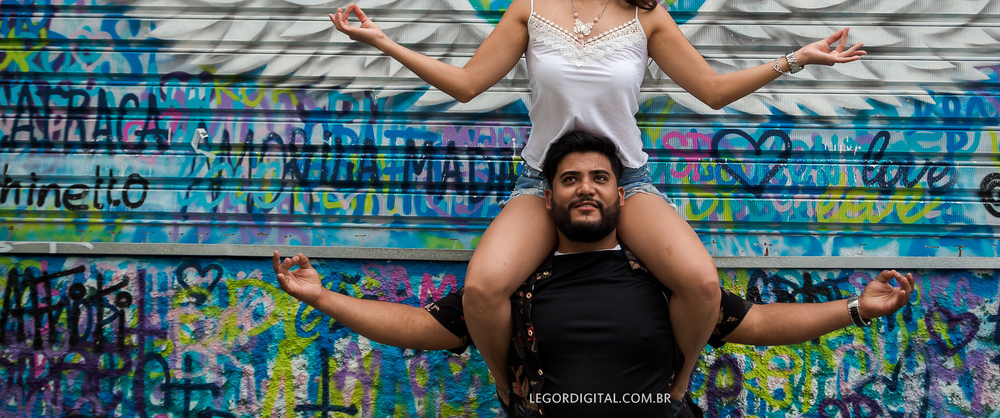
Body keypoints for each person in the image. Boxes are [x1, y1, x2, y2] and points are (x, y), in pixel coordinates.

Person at [328, 0, 867, 405]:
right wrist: (383, 42)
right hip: (544, 180)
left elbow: (712, 90)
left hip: (624, 180)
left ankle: (676, 385)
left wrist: (796, 59)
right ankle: (508, 387)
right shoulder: (531, 6)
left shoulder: (646, 16)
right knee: (482, 290)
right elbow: (467, 84)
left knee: (702, 284)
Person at [274, 131, 916, 417]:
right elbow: (423, 328)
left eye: (600, 178)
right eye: (570, 179)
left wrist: (856, 310)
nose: (586, 188)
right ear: (548, 198)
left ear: (621, 196)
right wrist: (322, 297)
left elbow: (759, 324)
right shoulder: (518, 284)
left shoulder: (658, 276)